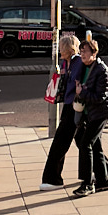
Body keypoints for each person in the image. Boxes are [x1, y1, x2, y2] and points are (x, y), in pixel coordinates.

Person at [71, 37, 108, 196]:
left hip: (100, 113)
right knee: (94, 146)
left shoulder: (102, 71)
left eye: (85, 51)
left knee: (86, 144)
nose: (82, 54)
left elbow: (100, 97)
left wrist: (82, 92)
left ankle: (87, 184)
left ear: (94, 53)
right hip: (89, 113)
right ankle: (103, 181)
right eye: (81, 51)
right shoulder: (84, 68)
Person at [39, 31, 82, 190]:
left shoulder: (79, 62)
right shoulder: (64, 63)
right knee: (83, 140)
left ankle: (53, 179)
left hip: (76, 106)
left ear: (69, 49)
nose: (60, 51)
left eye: (62, 48)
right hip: (68, 105)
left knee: (60, 141)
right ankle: (102, 169)